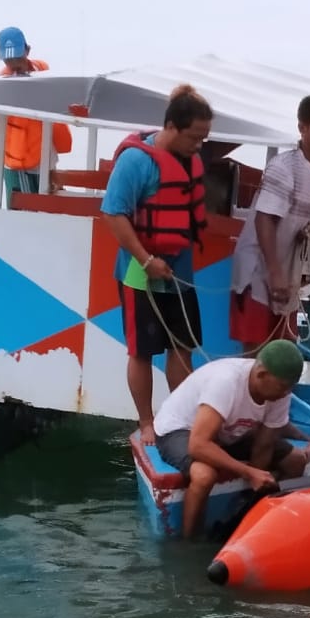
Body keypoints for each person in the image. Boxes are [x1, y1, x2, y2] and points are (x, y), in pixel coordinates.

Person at [100, 85, 213, 444]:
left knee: (182, 347)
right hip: (139, 272)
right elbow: (114, 214)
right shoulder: (136, 161)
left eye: (204, 138)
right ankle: (147, 422)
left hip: (181, 272)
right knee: (142, 351)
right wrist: (146, 260)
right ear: (172, 128)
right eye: (195, 137)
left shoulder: (191, 159)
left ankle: (179, 420)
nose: (199, 145)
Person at [153, 340, 309, 539]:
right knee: (204, 475)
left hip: (227, 432)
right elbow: (198, 445)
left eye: (290, 388)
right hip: (181, 429)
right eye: (283, 387)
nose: (286, 393)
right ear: (261, 374)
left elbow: (264, 444)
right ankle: (189, 541)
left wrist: (253, 488)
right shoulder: (226, 381)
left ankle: (253, 521)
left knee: (296, 460)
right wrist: (248, 472)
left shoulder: (280, 391)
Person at [229, 95, 310, 353]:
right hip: (257, 269)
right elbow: (264, 219)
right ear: (302, 128)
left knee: (284, 347)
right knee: (255, 351)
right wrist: (276, 273)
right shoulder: (283, 167)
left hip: (285, 267)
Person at [0, 26, 72, 207]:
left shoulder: (42, 69)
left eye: (18, 58)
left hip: (45, 156)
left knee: (50, 207)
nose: (14, 64)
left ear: (27, 51)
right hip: (17, 161)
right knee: (23, 212)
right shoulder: (1, 84)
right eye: (9, 60)